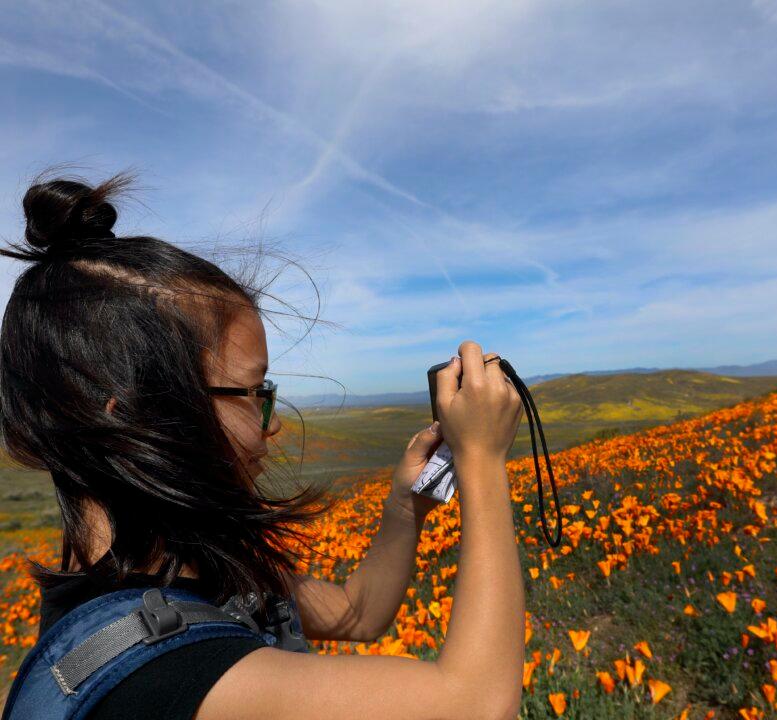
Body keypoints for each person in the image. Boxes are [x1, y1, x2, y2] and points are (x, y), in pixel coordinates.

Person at [0, 168, 526, 720]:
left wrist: (405, 503)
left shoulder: (189, 577)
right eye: (254, 391)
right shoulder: (157, 679)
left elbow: (356, 614)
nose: (270, 423)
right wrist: (483, 460)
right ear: (139, 417)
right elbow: (478, 706)